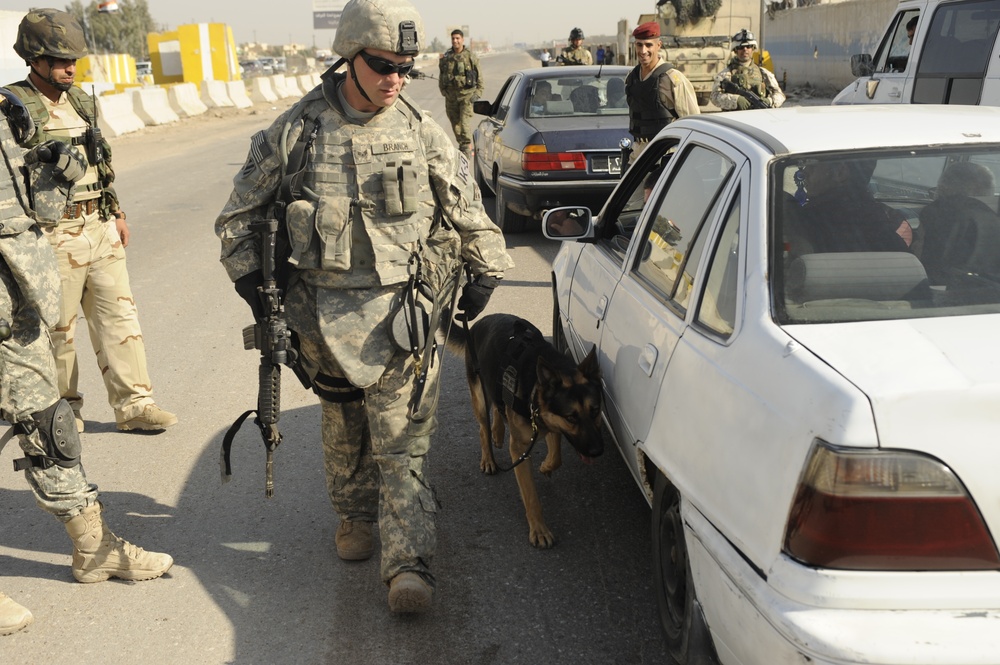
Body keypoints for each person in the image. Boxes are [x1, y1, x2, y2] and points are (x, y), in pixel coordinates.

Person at [216, 0, 513, 614]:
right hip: (320, 321)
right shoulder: (296, 132)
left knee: (402, 443)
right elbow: (238, 219)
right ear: (348, 57)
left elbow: (466, 206)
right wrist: (256, 289)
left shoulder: (419, 129)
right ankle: (353, 515)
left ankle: (408, 563)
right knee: (343, 425)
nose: (395, 79)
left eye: (406, 68)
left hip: (405, 315)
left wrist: (486, 268)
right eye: (382, 65)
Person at [0, 87, 172, 637]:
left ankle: (94, 549)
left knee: (48, 428)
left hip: (13, 303)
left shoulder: (8, 118)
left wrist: (58, 173)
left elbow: (32, 210)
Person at [6, 9, 177, 433]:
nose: (70, 68)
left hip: (98, 227)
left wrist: (115, 211)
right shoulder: (12, 107)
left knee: (120, 319)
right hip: (51, 235)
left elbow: (101, 164)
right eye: (61, 60)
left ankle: (136, 405)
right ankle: (64, 410)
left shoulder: (82, 101)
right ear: (35, 59)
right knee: (58, 330)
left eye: (74, 60)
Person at [789, 159, 911, 255]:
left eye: (812, 166)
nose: (804, 173)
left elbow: (785, 248)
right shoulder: (885, 219)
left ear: (840, 172)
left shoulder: (805, 220)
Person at [625, 21, 699, 157]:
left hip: (667, 154)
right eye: (639, 45)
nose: (643, 51)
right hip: (638, 152)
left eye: (648, 45)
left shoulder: (673, 78)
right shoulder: (632, 77)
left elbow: (693, 122)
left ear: (658, 45)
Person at [710, 29, 785, 111]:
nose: (745, 49)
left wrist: (769, 101)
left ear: (753, 48)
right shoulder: (725, 74)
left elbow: (780, 95)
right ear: (735, 50)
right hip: (734, 119)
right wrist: (736, 100)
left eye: (748, 46)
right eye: (741, 47)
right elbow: (715, 97)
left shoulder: (764, 73)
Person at [438, 28, 484, 158]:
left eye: (457, 38)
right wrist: (443, 90)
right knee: (455, 125)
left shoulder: (470, 57)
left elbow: (480, 77)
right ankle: (463, 145)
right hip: (451, 97)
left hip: (466, 96)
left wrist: (477, 93)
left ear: (462, 40)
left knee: (464, 125)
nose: (455, 41)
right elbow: (442, 75)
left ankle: (466, 149)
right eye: (453, 38)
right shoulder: (447, 57)